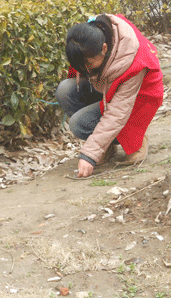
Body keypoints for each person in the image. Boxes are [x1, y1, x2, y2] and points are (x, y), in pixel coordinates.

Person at [55, 14, 164, 178]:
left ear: (104, 48)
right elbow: (82, 70)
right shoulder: (91, 36)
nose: (85, 69)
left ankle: (136, 137)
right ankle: (107, 146)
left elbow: (117, 113)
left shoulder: (133, 60)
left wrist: (90, 154)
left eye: (89, 64)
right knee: (65, 90)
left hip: (138, 99)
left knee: (79, 124)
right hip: (106, 85)